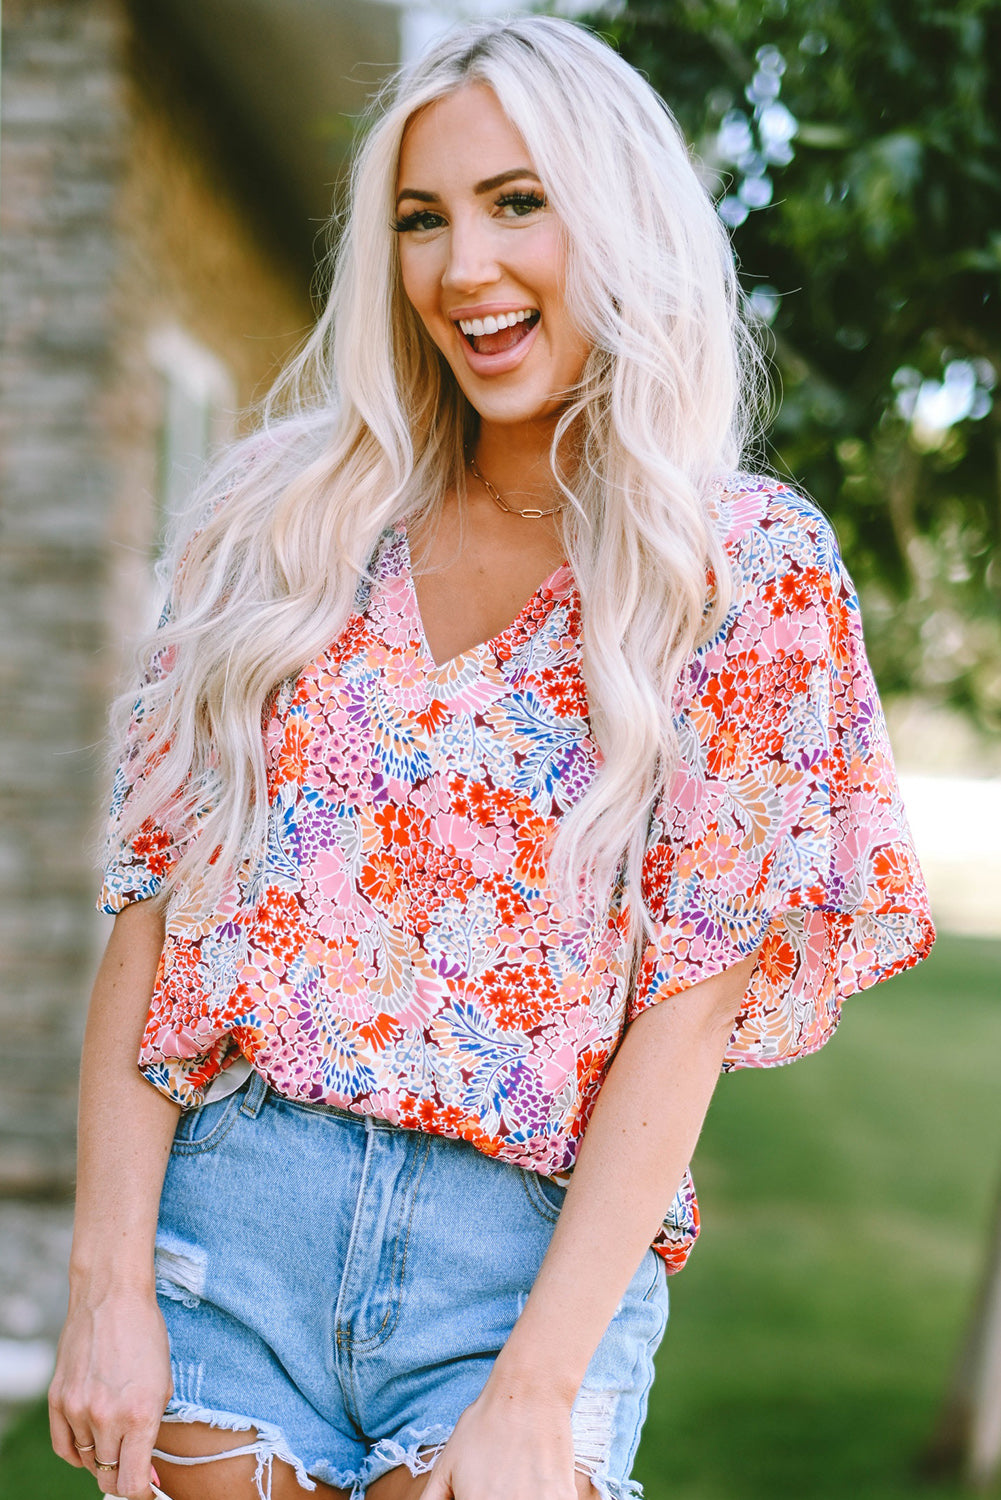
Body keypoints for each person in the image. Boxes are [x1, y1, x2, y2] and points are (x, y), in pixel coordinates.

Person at [48, 15, 934, 1500]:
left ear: (618, 216)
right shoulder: (279, 517)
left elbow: (690, 1001)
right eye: (420, 219)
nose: (463, 269)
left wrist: (539, 1386)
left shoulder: (740, 572)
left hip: (521, 1275)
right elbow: (156, 908)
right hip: (234, 1240)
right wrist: (104, 1288)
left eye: (516, 202)